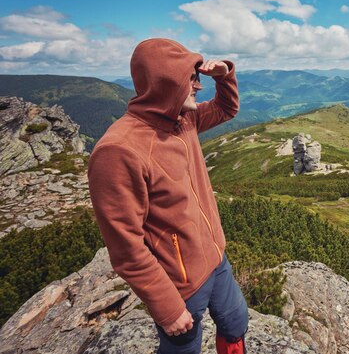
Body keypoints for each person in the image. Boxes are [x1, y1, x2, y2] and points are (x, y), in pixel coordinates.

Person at [88, 38, 248, 354]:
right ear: (165, 82)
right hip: (182, 280)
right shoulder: (118, 150)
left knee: (235, 323)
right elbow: (125, 247)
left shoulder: (182, 119)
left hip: (216, 258)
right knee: (183, 347)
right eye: (190, 78)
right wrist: (166, 306)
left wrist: (224, 76)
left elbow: (226, 108)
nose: (198, 87)